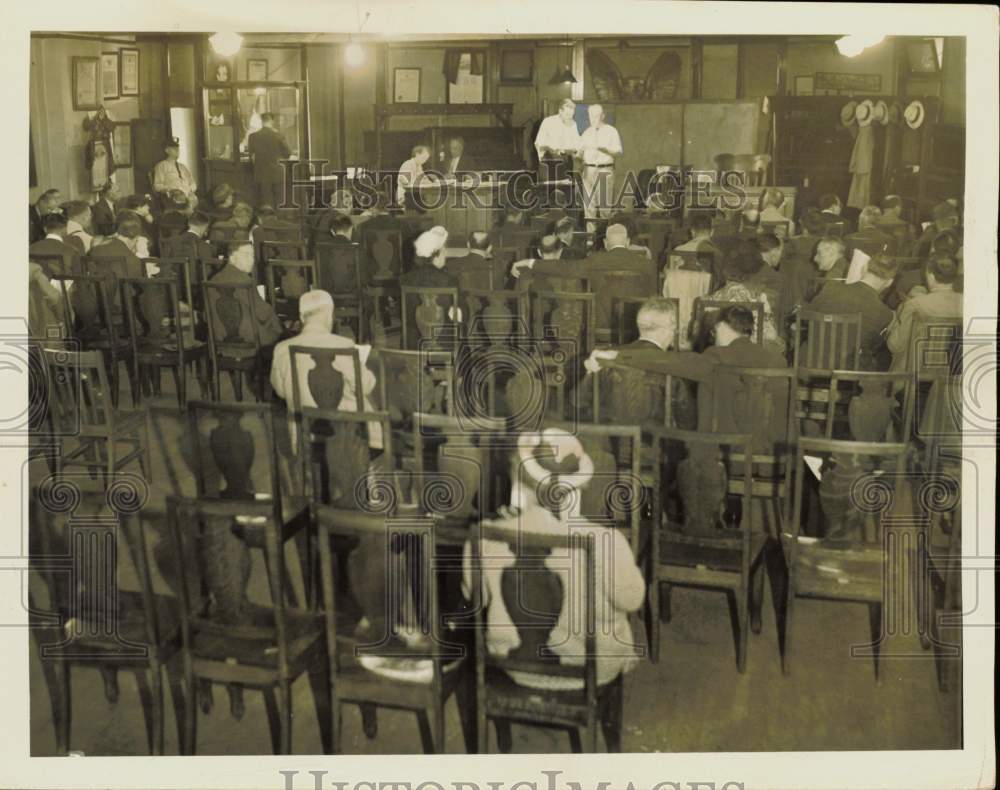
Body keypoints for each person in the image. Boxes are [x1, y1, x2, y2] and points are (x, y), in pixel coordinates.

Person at [462, 428, 645, 691]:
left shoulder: (483, 535)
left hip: (513, 666)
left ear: (519, 483)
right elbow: (632, 600)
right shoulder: (606, 539)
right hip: (592, 671)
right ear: (579, 486)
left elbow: (472, 596)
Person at [270, 290, 381, 450]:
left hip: (303, 433)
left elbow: (280, 391)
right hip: (346, 435)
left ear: (302, 318)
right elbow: (366, 385)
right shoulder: (345, 345)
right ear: (330, 316)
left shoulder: (281, 349)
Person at [805, 252, 899, 370]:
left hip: (809, 364)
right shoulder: (885, 314)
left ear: (864, 269)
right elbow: (872, 346)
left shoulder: (830, 288)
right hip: (848, 376)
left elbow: (806, 316)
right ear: (889, 282)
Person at [887, 253, 963, 371]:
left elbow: (895, 345)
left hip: (911, 380)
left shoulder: (914, 305)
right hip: (952, 381)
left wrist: (898, 312)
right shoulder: (969, 304)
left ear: (931, 275)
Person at [208, 244, 283, 348]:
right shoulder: (245, 281)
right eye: (246, 255)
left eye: (252, 255)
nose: (251, 260)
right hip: (250, 340)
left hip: (220, 340)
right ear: (232, 257)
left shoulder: (213, 280)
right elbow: (263, 313)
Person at [579, 104, 623, 224]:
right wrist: (576, 153)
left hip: (604, 170)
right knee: (589, 207)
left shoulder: (611, 131)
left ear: (603, 116)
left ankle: (603, 239)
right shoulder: (586, 133)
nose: (593, 119)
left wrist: (606, 149)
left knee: (604, 208)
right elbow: (579, 153)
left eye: (596, 116)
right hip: (588, 171)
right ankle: (590, 240)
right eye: (591, 116)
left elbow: (619, 151)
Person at [247, 113, 292, 209]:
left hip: (262, 174)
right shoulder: (278, 135)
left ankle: (267, 223)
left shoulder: (253, 136)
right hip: (277, 174)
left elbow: (251, 156)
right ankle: (278, 221)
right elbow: (288, 153)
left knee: (266, 204)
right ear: (272, 121)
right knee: (279, 202)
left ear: (262, 122)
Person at [534, 98, 582, 183]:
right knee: (547, 191)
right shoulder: (548, 121)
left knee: (564, 191)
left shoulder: (573, 124)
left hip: (565, 162)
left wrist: (575, 150)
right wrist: (549, 148)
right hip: (548, 161)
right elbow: (538, 143)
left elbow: (577, 144)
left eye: (572, 115)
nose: (570, 117)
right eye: (567, 114)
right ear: (560, 111)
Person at [29, 211, 80, 276]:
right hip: (66, 285)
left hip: (38, 285)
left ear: (45, 229)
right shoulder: (72, 251)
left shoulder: (31, 248)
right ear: (65, 229)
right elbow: (79, 278)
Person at [152, 137, 198, 205]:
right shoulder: (161, 166)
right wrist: (171, 190)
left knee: (195, 201)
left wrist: (190, 190)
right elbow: (157, 185)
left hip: (189, 195)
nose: (177, 151)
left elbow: (193, 183)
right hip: (174, 196)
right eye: (174, 149)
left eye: (178, 149)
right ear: (167, 150)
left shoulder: (182, 167)